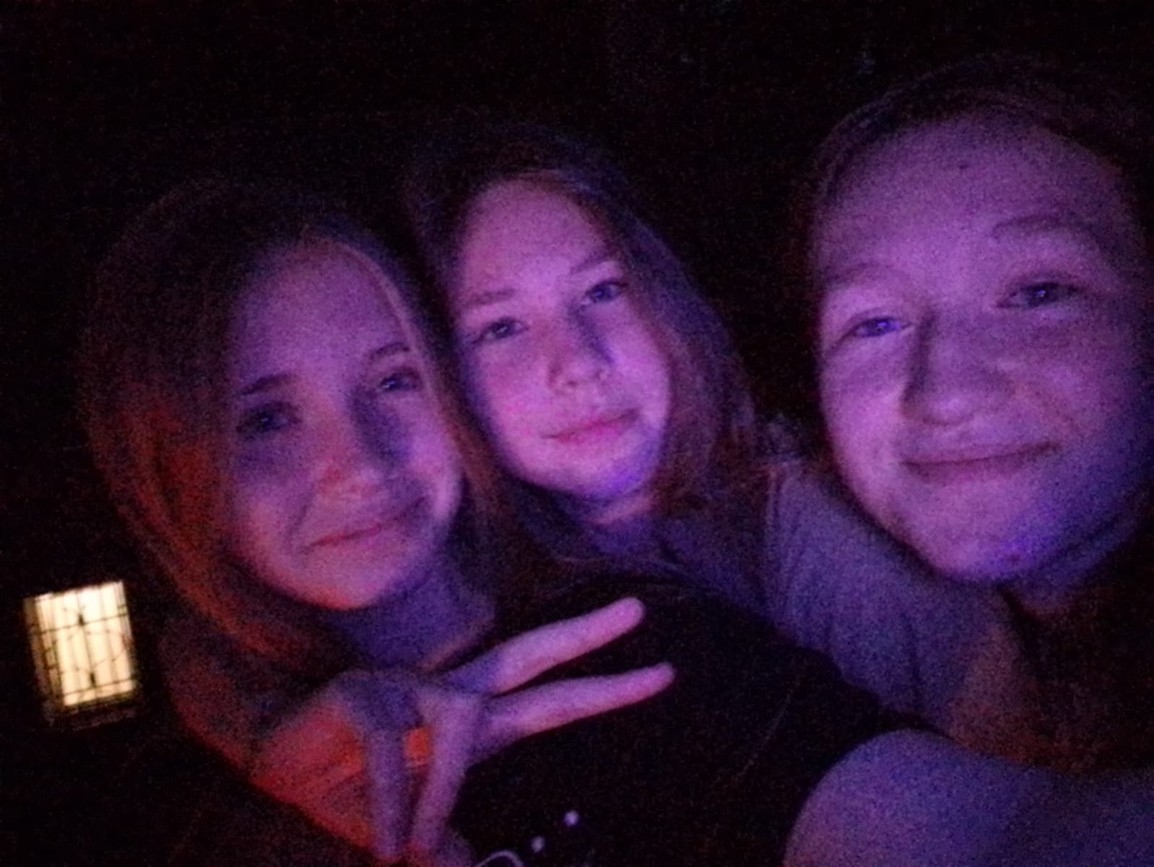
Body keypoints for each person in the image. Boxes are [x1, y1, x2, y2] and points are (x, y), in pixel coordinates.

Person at [79, 178, 899, 865]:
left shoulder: (640, 644)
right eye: (265, 420)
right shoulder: (171, 805)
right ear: (164, 465)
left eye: (393, 380)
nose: (359, 462)